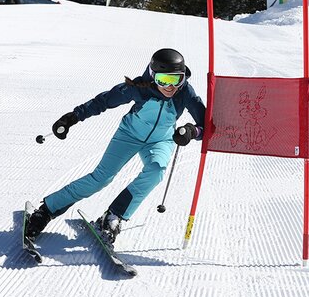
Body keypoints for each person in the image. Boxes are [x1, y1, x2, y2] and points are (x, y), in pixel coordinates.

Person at [25, 48, 206, 245]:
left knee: (156, 171)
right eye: (164, 80)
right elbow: (103, 101)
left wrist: (192, 131)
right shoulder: (138, 88)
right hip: (129, 135)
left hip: (161, 140)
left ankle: (113, 216)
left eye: (176, 80)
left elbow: (205, 125)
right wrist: (72, 118)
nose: (170, 87)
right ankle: (47, 210)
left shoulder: (185, 92)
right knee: (101, 179)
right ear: (153, 76)